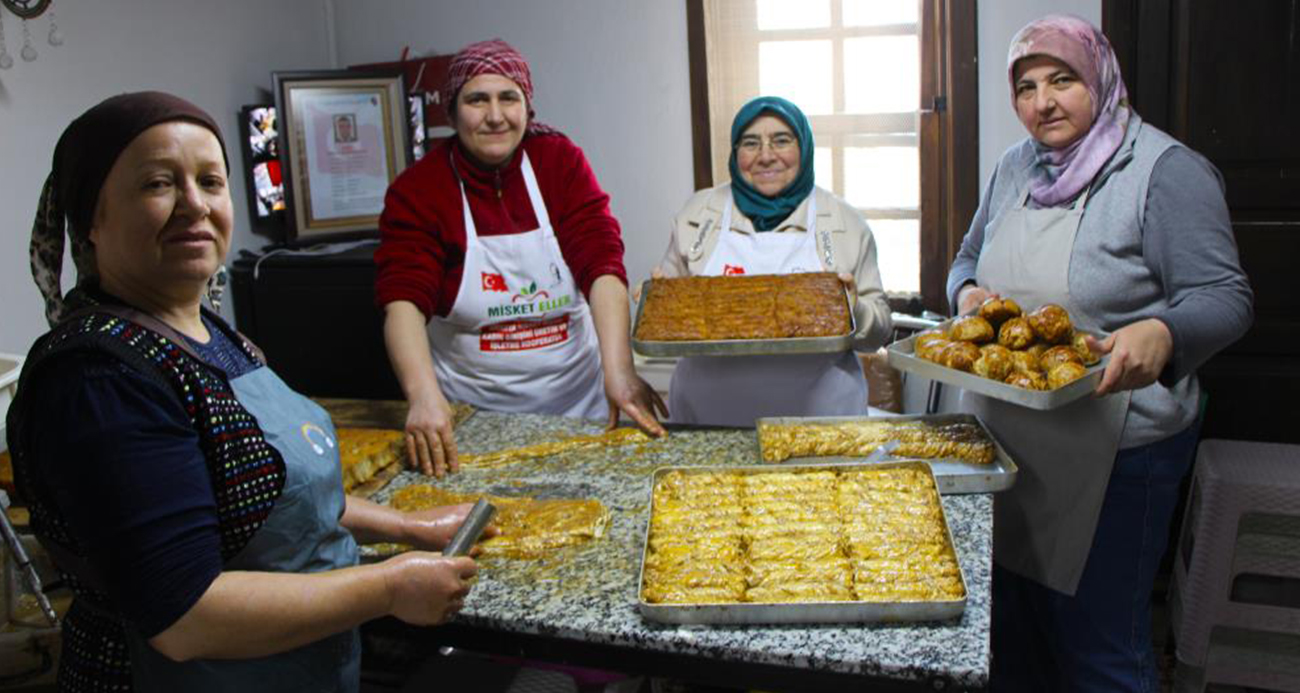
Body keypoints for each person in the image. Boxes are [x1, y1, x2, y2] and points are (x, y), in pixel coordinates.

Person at [6, 91, 486, 692]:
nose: (194, 206)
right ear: (91, 220)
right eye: (158, 184)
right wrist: (387, 588)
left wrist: (407, 527)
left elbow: (274, 499)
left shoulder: (211, 337)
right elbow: (185, 616)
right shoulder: (100, 379)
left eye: (210, 181)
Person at [946, 16, 1252, 692]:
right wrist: (967, 292)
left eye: (1062, 80)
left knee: (1100, 651)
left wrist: (1164, 333)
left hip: (1116, 453)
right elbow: (965, 259)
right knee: (1015, 636)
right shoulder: (1013, 167)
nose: (1042, 102)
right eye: (1025, 87)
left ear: (1103, 77)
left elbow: (1226, 296)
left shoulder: (1165, 172)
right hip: (1005, 439)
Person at [376, 39, 666, 476]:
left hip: (581, 406)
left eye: (508, 98)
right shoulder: (420, 189)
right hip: (471, 419)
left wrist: (620, 370)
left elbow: (602, 267)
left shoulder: (558, 162)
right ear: (452, 113)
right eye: (477, 100)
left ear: (527, 109)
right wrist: (422, 397)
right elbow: (403, 302)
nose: (495, 115)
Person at [653, 96, 892, 426]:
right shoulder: (697, 215)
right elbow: (666, 314)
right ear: (736, 153)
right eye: (751, 143)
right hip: (708, 421)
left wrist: (855, 310)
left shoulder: (846, 223)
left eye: (781, 140)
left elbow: (879, 331)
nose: (766, 156)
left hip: (820, 422)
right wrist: (659, 304)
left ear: (804, 147)